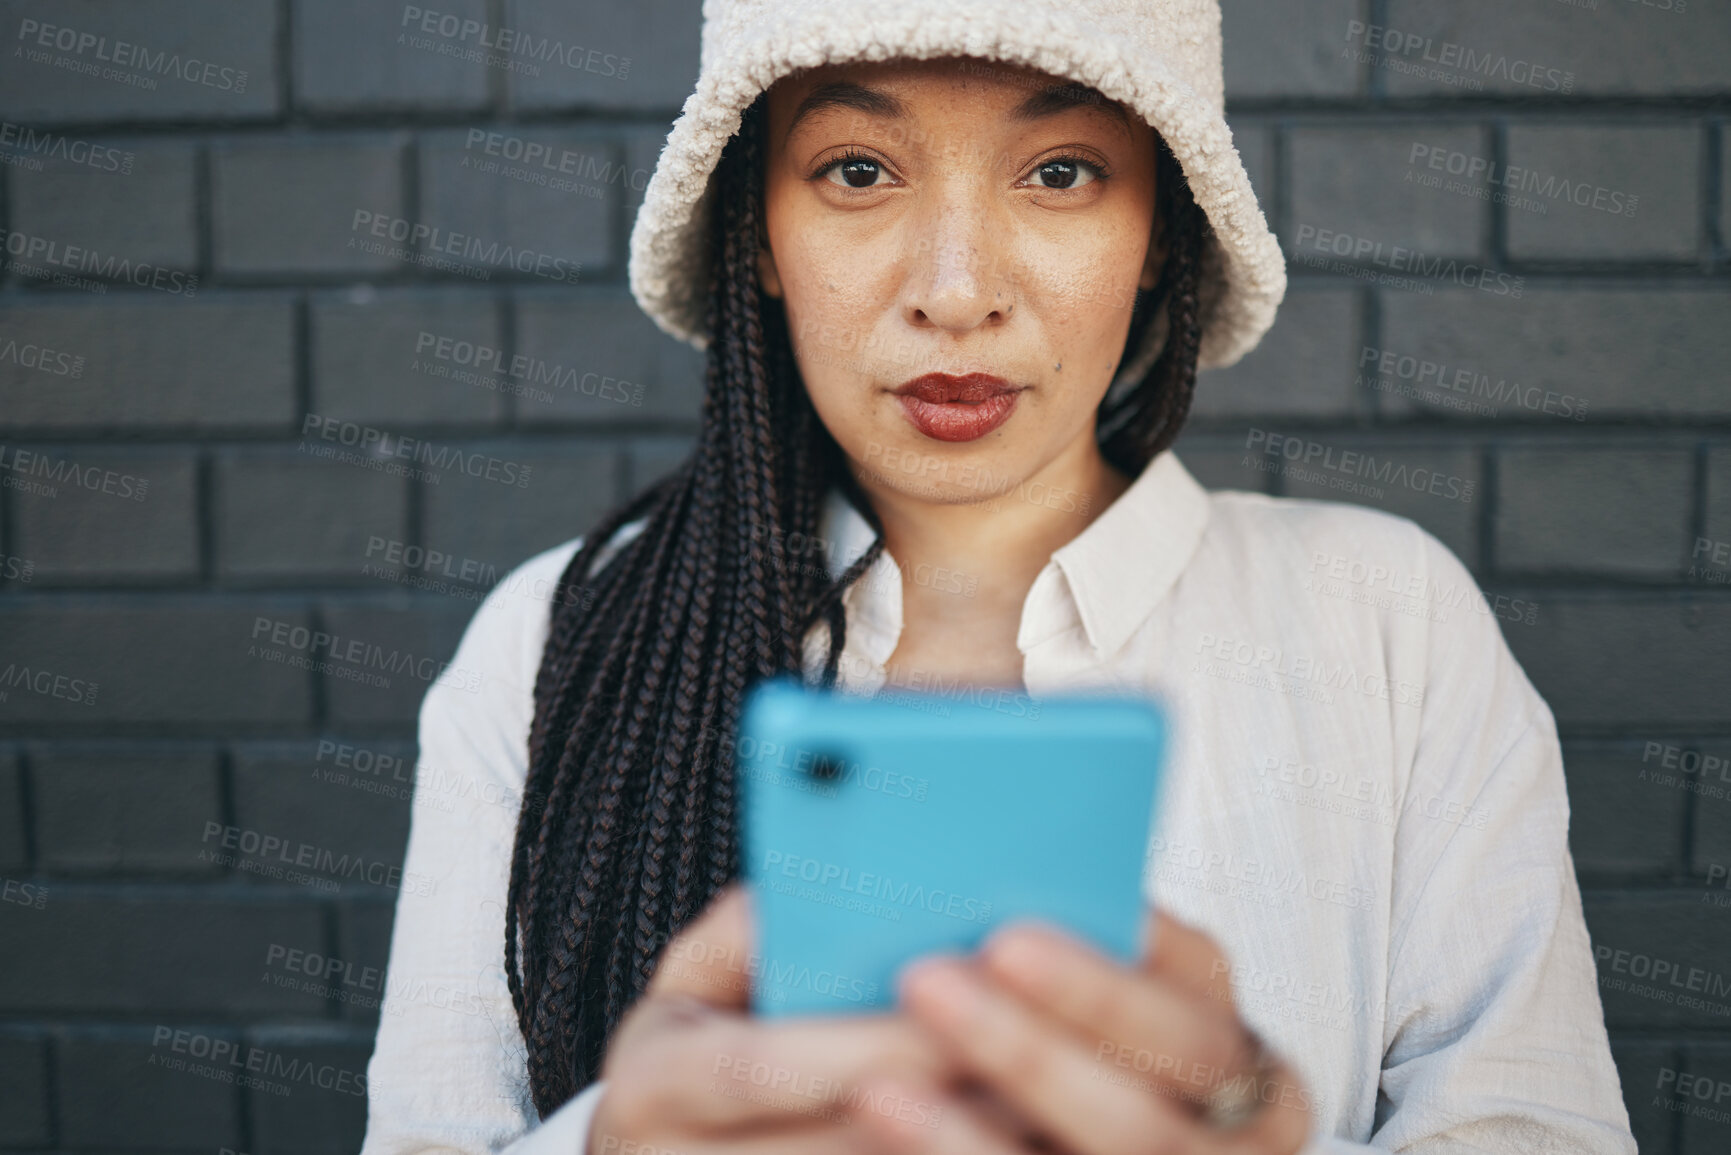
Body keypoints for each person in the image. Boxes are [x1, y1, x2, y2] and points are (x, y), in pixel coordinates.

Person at [360, 2, 1638, 1152]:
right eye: (857, 170)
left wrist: (1256, 1135)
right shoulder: (557, 641)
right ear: (756, 229)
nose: (957, 291)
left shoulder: (1387, 625)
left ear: (1156, 232)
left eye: (1062, 172)